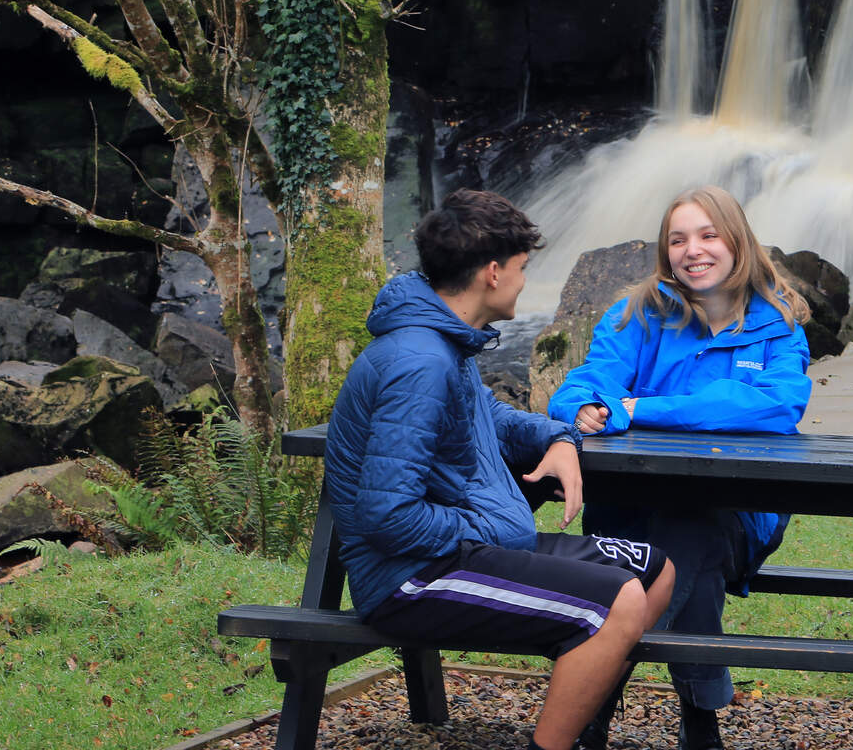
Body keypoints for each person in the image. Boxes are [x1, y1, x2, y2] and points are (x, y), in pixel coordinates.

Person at [323, 189, 676, 750]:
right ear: (492, 273)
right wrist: (495, 530)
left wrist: (559, 437)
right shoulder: (419, 362)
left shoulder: (444, 344)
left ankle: (583, 728)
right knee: (621, 599)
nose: (523, 280)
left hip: (454, 550)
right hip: (412, 577)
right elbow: (385, 514)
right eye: (521, 268)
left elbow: (490, 415)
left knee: (652, 570)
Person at [548, 184, 813, 750]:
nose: (693, 250)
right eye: (678, 239)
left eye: (708, 235)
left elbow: (776, 405)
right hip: (631, 518)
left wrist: (639, 409)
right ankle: (700, 722)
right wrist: (585, 408)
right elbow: (581, 386)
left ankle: (593, 706)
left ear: (738, 241)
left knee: (692, 520)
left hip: (737, 516)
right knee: (680, 542)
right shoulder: (637, 314)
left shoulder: (778, 323)